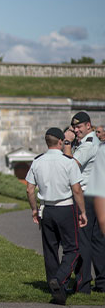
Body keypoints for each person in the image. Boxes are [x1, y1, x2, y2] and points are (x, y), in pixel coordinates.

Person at [25, 127, 87, 304]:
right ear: (60, 142)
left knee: (50, 249)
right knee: (73, 249)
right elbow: (76, 189)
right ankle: (59, 280)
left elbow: (29, 189)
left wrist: (34, 209)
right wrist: (83, 212)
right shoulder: (68, 162)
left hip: (46, 209)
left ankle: (56, 288)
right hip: (65, 208)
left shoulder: (37, 161)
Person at [63, 111, 105, 293]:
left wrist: (66, 142)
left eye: (79, 126)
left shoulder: (88, 145)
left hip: (86, 196)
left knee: (82, 241)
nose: (76, 130)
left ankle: (83, 284)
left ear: (88, 125)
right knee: (97, 240)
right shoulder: (95, 141)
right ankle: (102, 283)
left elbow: (69, 167)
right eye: (74, 127)